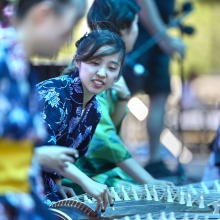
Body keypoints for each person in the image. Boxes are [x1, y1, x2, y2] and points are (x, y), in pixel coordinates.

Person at [62, 0, 172, 193]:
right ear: (124, 28)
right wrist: (147, 180)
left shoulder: (106, 68)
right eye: (136, 24)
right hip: (75, 173)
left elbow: (106, 125)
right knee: (140, 192)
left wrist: (122, 99)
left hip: (91, 168)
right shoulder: (97, 76)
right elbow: (103, 137)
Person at [0, 0, 86, 218]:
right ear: (43, 14)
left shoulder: (17, 60)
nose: (68, 39)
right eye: (69, 27)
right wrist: (36, 157)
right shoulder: (5, 59)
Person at [36, 29, 126, 212]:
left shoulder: (95, 110)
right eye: (95, 63)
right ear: (78, 61)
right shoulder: (53, 93)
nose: (102, 73)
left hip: (44, 184)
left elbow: (69, 154)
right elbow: (44, 150)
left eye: (111, 68)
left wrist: (57, 182)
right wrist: (85, 181)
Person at [123, 0, 186, 177]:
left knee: (160, 95)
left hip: (157, 34)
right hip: (138, 31)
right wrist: (164, 38)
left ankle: (155, 160)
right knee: (121, 93)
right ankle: (116, 160)